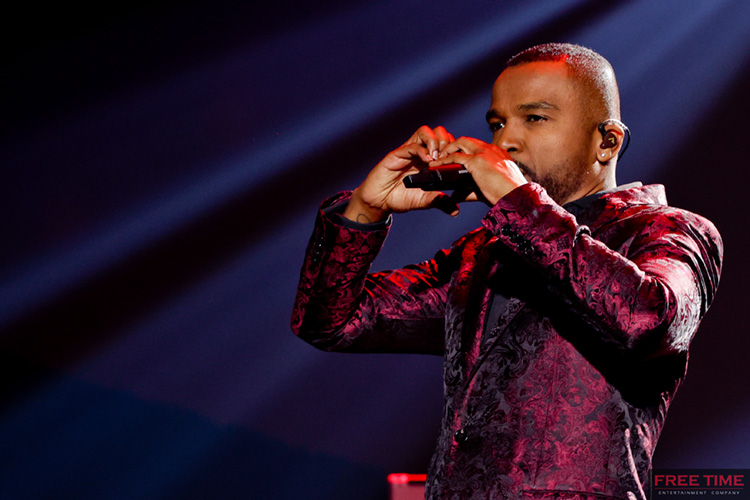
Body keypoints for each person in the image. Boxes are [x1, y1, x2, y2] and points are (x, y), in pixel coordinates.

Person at [291, 43, 723, 500]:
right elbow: (331, 322)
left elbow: (649, 321)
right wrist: (365, 209)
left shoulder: (669, 230)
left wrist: (519, 203)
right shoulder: (483, 254)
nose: (504, 143)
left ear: (607, 142)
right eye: (497, 124)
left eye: (534, 118)